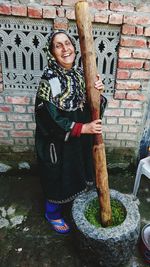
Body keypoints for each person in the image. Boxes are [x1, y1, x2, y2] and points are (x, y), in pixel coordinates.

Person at [35, 29, 106, 234]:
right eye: (58, 45)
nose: (65, 49)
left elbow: (91, 107)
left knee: (77, 172)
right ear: (51, 53)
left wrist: (97, 93)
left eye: (68, 43)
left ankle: (72, 205)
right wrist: (83, 128)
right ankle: (53, 214)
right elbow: (48, 120)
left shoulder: (80, 75)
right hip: (56, 141)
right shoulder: (49, 81)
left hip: (78, 139)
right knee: (58, 177)